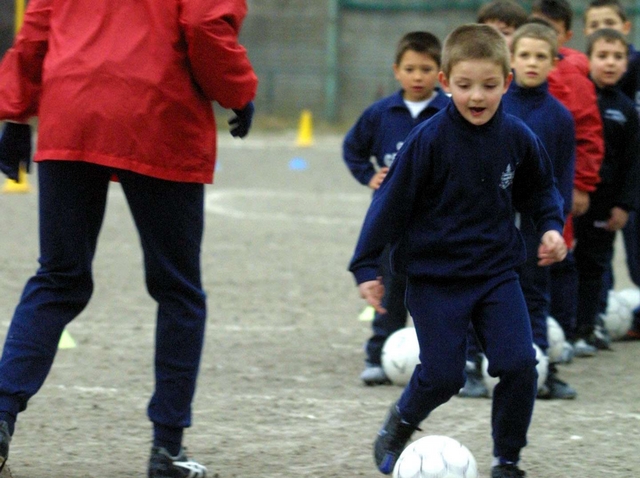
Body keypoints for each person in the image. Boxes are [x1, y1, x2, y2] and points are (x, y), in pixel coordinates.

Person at [0, 0, 258, 476]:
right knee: (178, 290)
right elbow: (204, 22)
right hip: (157, 112)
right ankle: (166, 451)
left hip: (70, 107)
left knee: (59, 277)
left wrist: (15, 114)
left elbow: (35, 29)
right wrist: (238, 90)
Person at [348, 24, 567, 478]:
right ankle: (401, 421)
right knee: (444, 376)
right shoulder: (427, 141)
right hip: (435, 279)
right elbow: (387, 205)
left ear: (506, 82)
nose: (477, 96)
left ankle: (507, 459)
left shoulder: (518, 137)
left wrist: (550, 228)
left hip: (495, 274)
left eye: (489, 85)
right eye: (464, 85)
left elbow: (541, 191)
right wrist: (366, 265)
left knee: (520, 364)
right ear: (445, 83)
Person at [460, 21, 577, 400]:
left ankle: (543, 366)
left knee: (536, 294)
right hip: (491, 224)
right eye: (524, 55)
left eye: (541, 56)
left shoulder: (559, 117)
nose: (532, 63)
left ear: (554, 62)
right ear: (511, 63)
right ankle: (472, 365)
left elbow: (560, 178)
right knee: (482, 293)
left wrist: (554, 226)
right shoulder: (495, 107)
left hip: (533, 228)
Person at [342, 31, 449, 386]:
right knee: (390, 287)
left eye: (426, 68)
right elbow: (353, 148)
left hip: (436, 223)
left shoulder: (449, 112)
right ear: (396, 71)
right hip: (392, 222)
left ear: (440, 72)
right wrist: (369, 176)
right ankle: (378, 355)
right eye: (410, 68)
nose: (418, 76)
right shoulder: (380, 113)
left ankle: (441, 358)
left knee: (434, 290)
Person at [530, 0, 606, 356]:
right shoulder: (501, 90)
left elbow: (588, 135)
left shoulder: (572, 82)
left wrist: (581, 184)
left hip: (556, 196)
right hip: (508, 201)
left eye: (542, 53)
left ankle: (560, 337)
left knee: (558, 261)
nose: (533, 61)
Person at [572, 28, 640, 349]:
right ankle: (563, 324)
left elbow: (632, 164)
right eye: (602, 56)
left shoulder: (627, 110)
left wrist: (624, 205)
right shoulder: (577, 98)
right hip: (573, 199)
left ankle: (588, 325)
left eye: (617, 57)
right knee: (563, 262)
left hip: (605, 203)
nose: (610, 63)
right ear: (589, 59)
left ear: (627, 63)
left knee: (595, 263)